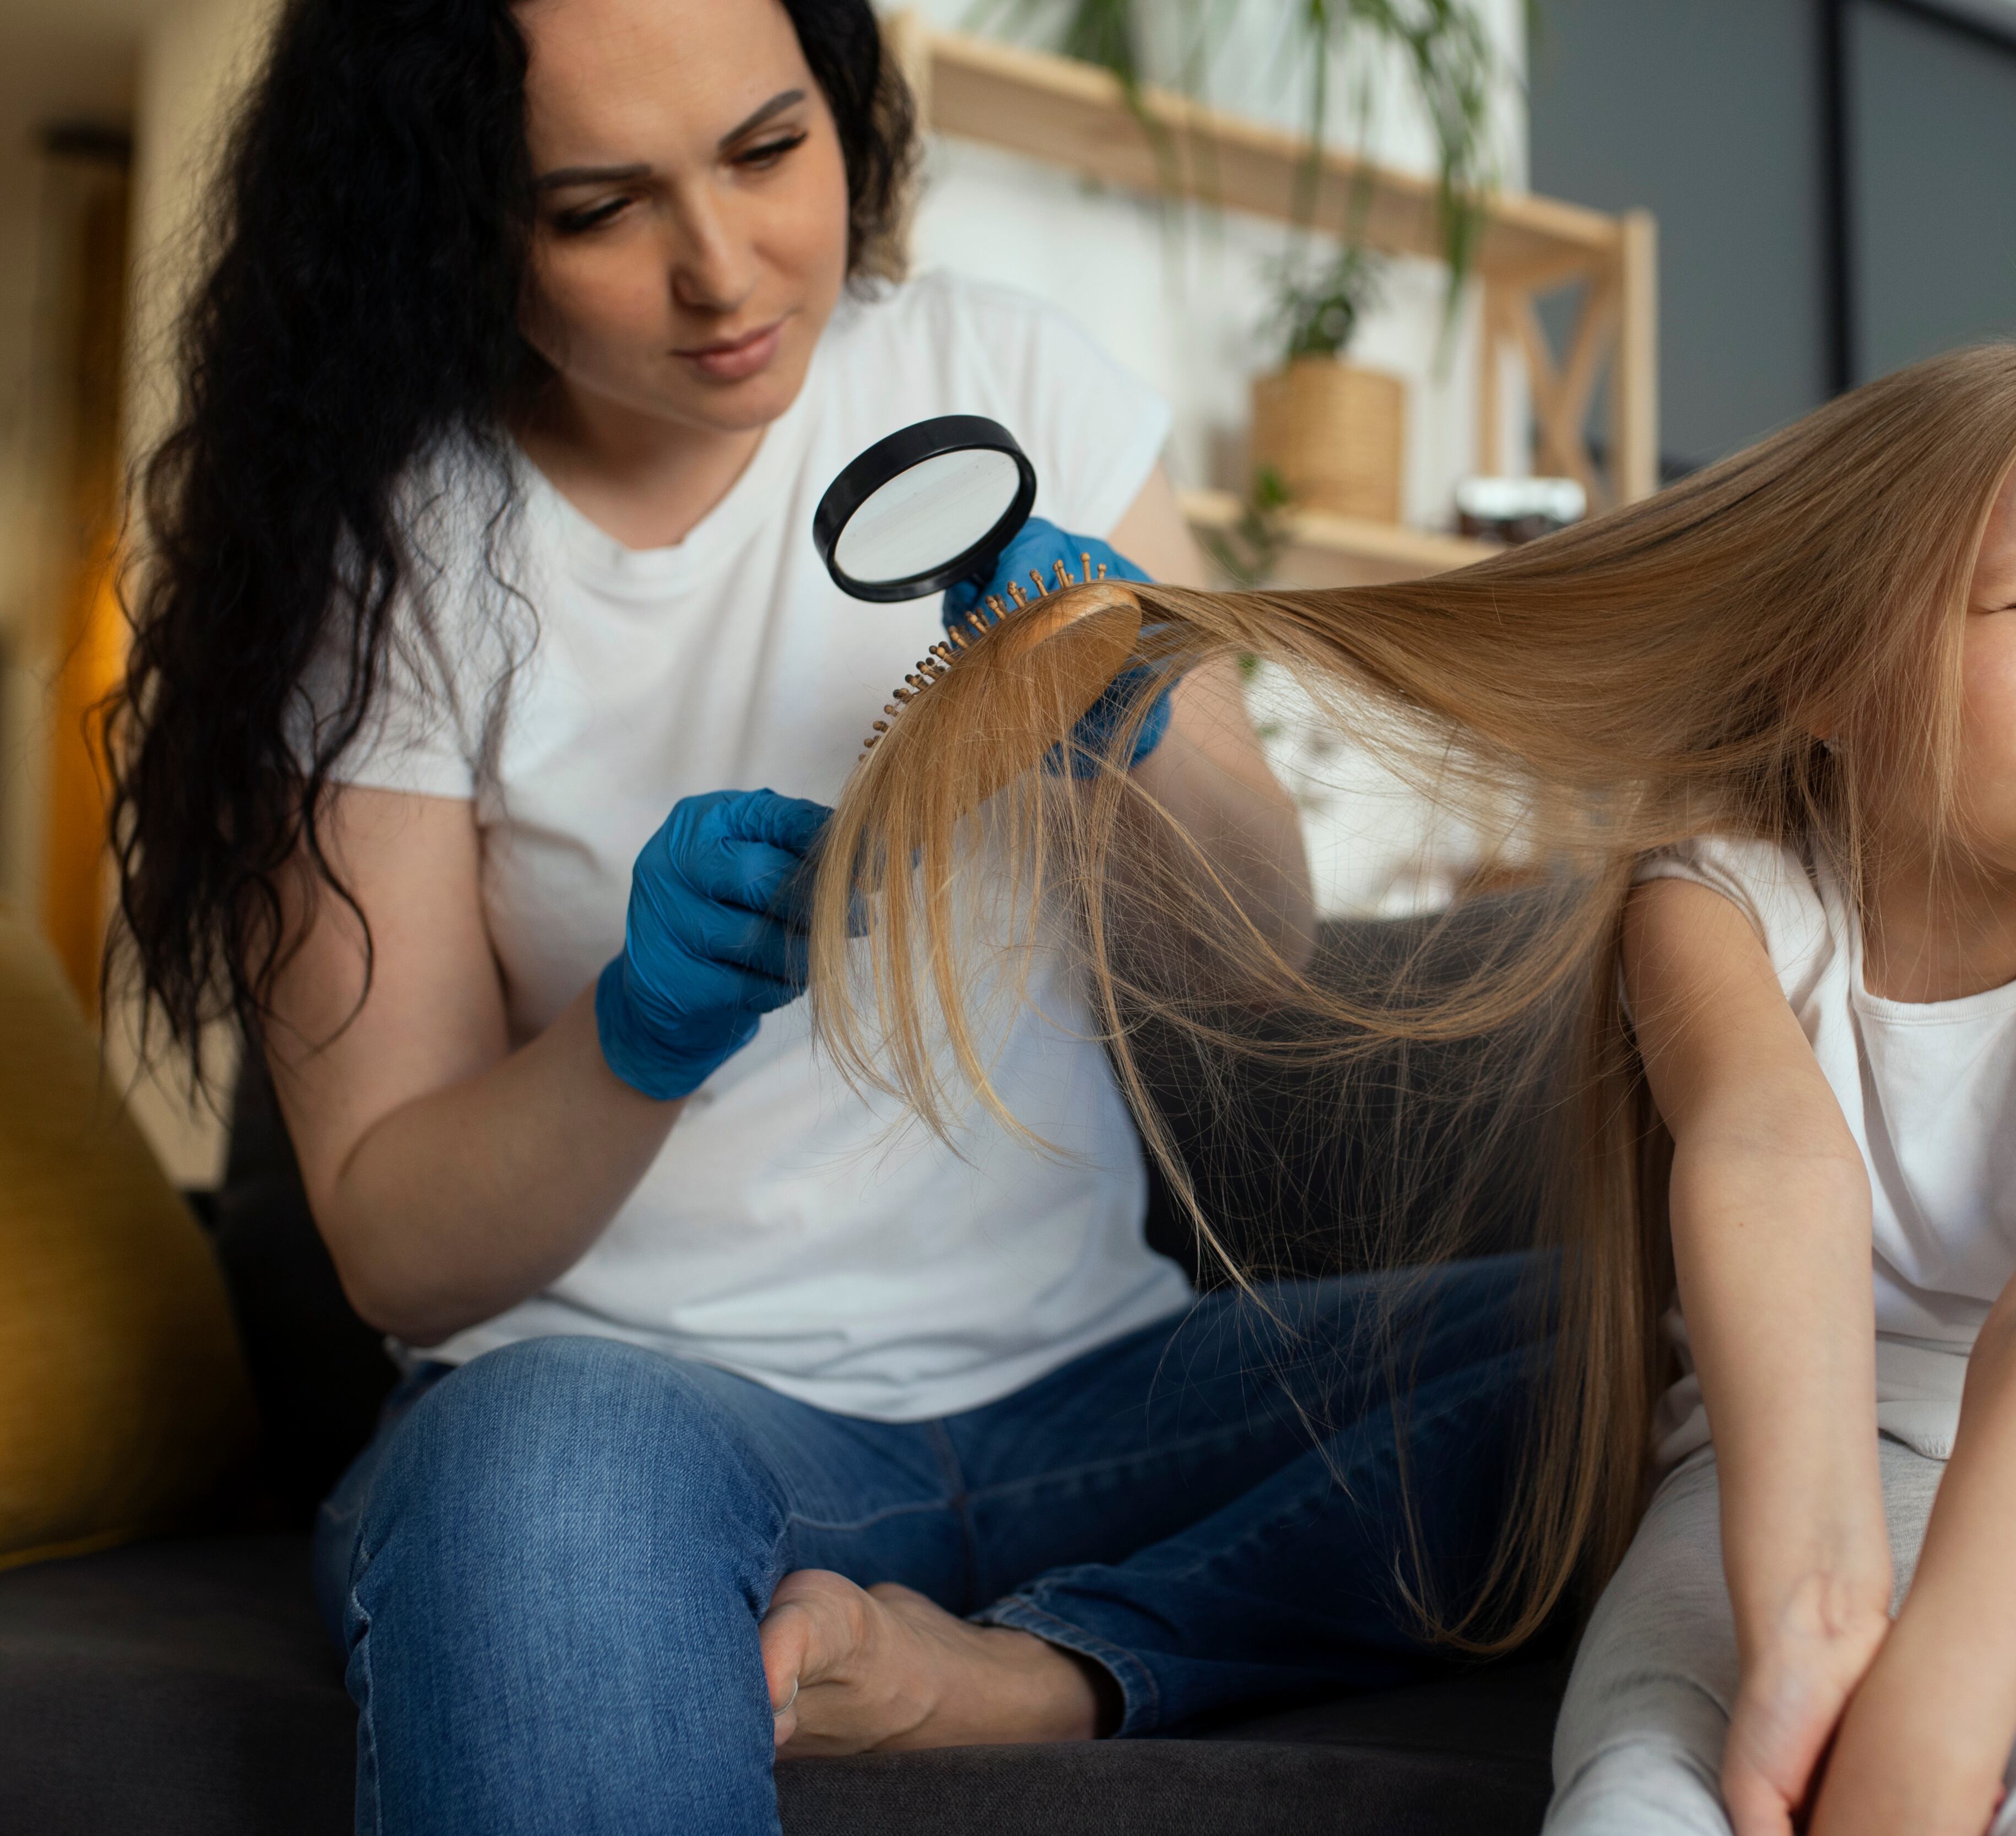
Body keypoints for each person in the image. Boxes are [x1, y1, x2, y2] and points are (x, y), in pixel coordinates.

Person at [107, 1, 1540, 1831]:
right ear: (447, 223)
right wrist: (638, 1035)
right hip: (655, 1431)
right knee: (533, 1483)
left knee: (1684, 1336)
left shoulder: (1013, 374)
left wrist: (1144, 744)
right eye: (596, 207)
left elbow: (1249, 958)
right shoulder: (396, 550)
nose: (724, 269)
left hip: (1108, 1391)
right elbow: (397, 1244)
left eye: (771, 150)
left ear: (844, 107)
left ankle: (1046, 1676)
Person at [820, 345, 2016, 1834]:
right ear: (1828, 677)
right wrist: (1811, 1607)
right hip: (1763, 1482)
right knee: (1644, 1790)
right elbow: (1769, 1154)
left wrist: (1932, 1709)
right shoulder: (1717, 899)